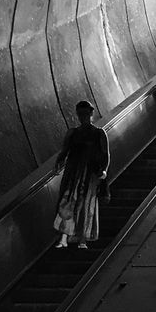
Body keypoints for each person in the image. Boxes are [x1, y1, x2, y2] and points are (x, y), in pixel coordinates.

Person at [53, 101, 109, 249]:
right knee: (68, 202)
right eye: (80, 114)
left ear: (91, 114)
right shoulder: (73, 133)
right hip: (73, 173)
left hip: (89, 175)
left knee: (86, 204)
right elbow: (64, 150)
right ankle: (65, 237)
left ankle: (82, 238)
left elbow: (105, 155)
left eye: (85, 114)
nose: (82, 117)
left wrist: (104, 170)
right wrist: (59, 161)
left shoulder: (99, 133)